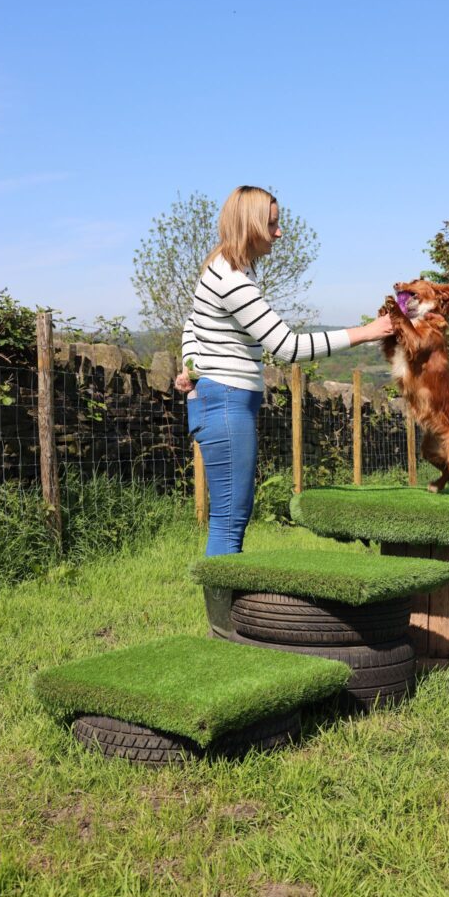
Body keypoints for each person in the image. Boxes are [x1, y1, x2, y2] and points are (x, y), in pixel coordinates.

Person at [175, 185, 393, 635]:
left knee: (229, 516)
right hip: (227, 403)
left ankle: (223, 623)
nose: (279, 232)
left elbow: (192, 325)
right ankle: (223, 629)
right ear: (250, 225)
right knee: (229, 521)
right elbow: (287, 346)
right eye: (272, 223)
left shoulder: (221, 267)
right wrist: (367, 332)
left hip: (220, 399)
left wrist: (191, 367)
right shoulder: (233, 280)